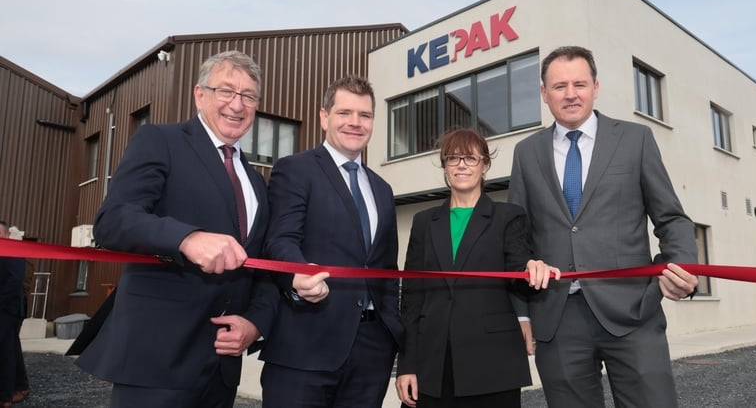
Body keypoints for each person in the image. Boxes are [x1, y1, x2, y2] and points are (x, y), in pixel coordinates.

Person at [75, 51, 278, 408]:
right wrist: (185, 238)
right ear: (200, 94)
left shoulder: (257, 182)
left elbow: (259, 265)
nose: (237, 104)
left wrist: (254, 324)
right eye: (226, 91)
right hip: (158, 360)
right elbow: (113, 220)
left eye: (248, 96)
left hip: (221, 366)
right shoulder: (160, 141)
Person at [508, 45, 699, 408]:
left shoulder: (635, 139)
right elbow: (517, 236)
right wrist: (521, 309)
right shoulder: (526, 152)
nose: (570, 94)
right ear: (543, 94)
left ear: (596, 87)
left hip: (632, 311)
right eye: (559, 86)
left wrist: (682, 267)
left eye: (579, 83)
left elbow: (671, 218)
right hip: (557, 317)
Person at [260, 75, 403, 408]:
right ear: (324, 117)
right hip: (306, 345)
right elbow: (280, 239)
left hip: (372, 351)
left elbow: (386, 268)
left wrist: (391, 334)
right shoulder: (295, 170)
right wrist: (298, 273)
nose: (355, 123)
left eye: (364, 115)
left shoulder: (382, 189)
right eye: (344, 113)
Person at [395, 128, 560, 408]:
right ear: (444, 166)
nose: (461, 165)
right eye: (453, 158)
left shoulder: (509, 216)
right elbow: (411, 298)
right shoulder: (424, 222)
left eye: (471, 158)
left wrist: (533, 270)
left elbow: (519, 271)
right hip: (433, 363)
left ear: (485, 165)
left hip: (492, 364)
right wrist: (407, 364)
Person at [0, 221, 29, 408]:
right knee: (11, 349)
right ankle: (19, 386)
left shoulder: (14, 249)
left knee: (5, 351)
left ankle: (5, 396)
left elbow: (14, 281)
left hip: (8, 309)